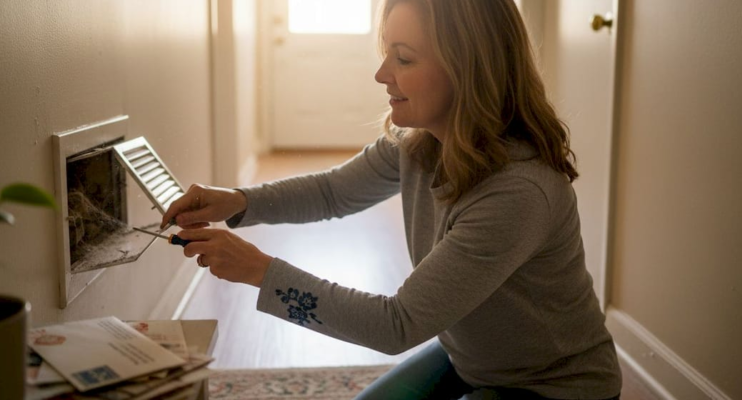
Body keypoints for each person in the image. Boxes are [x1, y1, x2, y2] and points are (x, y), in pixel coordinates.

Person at [161, 0, 622, 398]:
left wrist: (259, 271)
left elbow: (395, 325)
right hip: (470, 357)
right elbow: (333, 191)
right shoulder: (419, 142)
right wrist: (237, 200)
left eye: (403, 58)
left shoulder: (519, 192)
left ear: (468, 68)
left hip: (552, 388)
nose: (382, 74)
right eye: (387, 53)